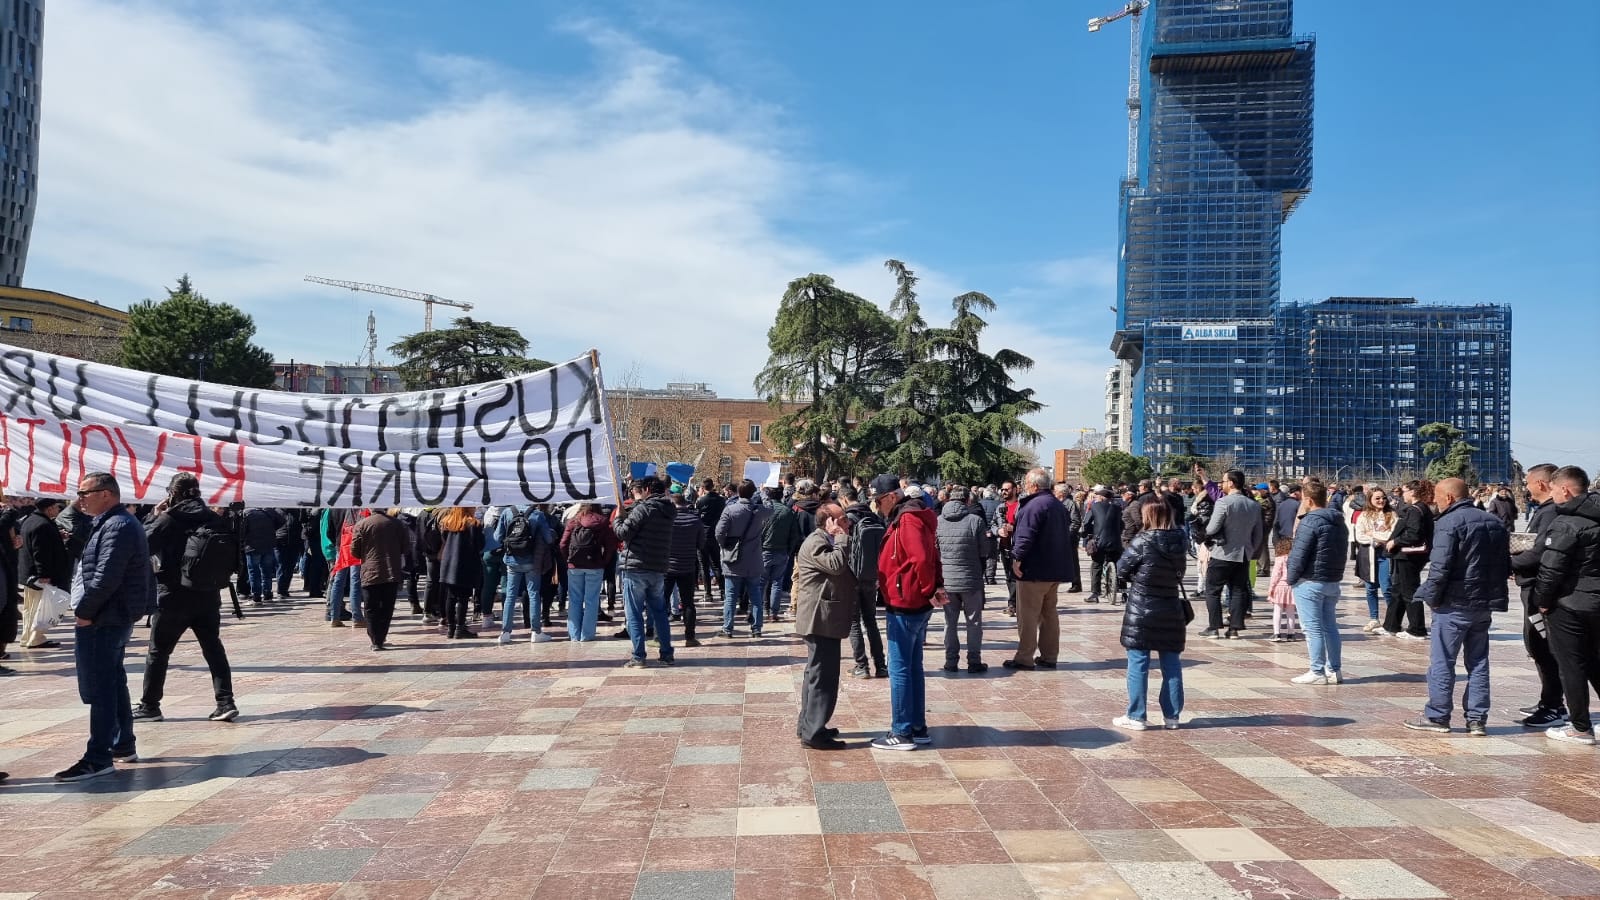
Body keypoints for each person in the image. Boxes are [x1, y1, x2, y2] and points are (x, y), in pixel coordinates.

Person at [57, 473, 155, 782]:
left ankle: (98, 757)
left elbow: (106, 576)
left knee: (99, 686)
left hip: (105, 616)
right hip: (110, 615)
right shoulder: (110, 522)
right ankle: (122, 744)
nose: (80, 498)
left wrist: (85, 613)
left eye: (85, 492)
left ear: (107, 494)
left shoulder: (118, 526)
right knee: (112, 680)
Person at [1403, 477, 1510, 736]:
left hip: (1454, 603)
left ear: (1449, 498)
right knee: (1479, 662)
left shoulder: (1449, 523)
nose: (1435, 503)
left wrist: (1432, 597)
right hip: (1483, 603)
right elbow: (1504, 565)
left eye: (1438, 498)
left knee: (1442, 661)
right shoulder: (1494, 523)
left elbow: (1440, 567)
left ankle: (1438, 716)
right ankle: (1477, 719)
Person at [134, 473, 239, 722]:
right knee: (213, 647)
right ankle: (225, 702)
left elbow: (141, 544)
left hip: (173, 594)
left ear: (172, 494)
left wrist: (153, 516)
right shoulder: (213, 517)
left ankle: (150, 705)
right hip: (207, 593)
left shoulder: (169, 518)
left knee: (158, 652)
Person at [869, 474, 946, 751]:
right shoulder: (911, 516)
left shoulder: (908, 519)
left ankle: (901, 732)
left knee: (899, 668)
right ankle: (917, 726)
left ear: (892, 496)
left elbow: (923, 558)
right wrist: (934, 586)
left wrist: (928, 588)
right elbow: (931, 556)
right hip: (911, 599)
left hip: (906, 602)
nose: (878, 507)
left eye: (879, 501)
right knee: (912, 666)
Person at [1530, 466, 1600, 745]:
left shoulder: (1567, 522)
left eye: (1555, 489)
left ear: (1566, 490)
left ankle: (1580, 727)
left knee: (1571, 665)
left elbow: (1551, 570)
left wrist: (1542, 602)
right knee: (1594, 661)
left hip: (1569, 603)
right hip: (1595, 600)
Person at [1113, 500, 1188, 730]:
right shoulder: (1180, 540)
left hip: (1142, 608)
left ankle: (1136, 716)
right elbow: (1180, 573)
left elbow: (1121, 569)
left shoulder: (1142, 540)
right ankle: (1172, 716)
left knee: (1138, 662)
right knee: (1172, 663)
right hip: (1170, 606)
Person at [794, 503, 856, 750]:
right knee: (822, 677)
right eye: (842, 519)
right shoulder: (817, 541)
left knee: (816, 674)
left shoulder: (822, 539)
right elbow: (835, 565)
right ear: (829, 522)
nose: (847, 523)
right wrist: (841, 540)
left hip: (823, 618)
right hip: (819, 620)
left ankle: (809, 725)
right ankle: (813, 732)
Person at [1510, 463, 1566, 726]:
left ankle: (1554, 704)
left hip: (1540, 588)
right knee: (1536, 646)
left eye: (1529, 483)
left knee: (1544, 647)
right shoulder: (1544, 511)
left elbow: (1540, 551)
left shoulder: (1551, 512)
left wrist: (1508, 563)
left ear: (1541, 484)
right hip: (1530, 584)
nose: (1526, 487)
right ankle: (1550, 698)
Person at [1006, 468, 1074, 672]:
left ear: (1034, 485)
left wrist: (1017, 558)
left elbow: (1025, 536)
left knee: (1027, 615)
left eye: (1026, 482)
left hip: (1035, 569)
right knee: (1049, 614)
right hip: (1054, 569)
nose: (1024, 486)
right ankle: (1049, 655)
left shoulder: (1034, 505)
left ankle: (1025, 657)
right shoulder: (1057, 504)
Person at [1286, 481, 1348, 685]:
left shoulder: (1310, 521)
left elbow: (1298, 554)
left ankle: (1317, 670)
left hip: (1310, 581)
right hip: (1332, 580)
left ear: (1308, 500)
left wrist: (1291, 578)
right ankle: (1334, 669)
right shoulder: (1339, 521)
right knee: (1330, 626)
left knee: (1312, 628)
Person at [613, 476, 677, 667]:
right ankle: (666, 653)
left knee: (634, 613)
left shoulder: (644, 508)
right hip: (658, 567)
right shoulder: (669, 509)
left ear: (647, 489)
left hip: (637, 567)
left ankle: (638, 655)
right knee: (659, 612)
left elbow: (623, 532)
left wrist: (617, 518)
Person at [1200, 471, 1264, 639]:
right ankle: (1234, 628)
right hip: (1243, 554)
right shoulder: (1254, 505)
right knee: (1238, 590)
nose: (1222, 484)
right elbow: (1258, 534)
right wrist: (1250, 549)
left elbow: (1212, 528)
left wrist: (1203, 532)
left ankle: (1214, 627)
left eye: (1224, 481)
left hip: (1223, 552)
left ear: (1232, 483)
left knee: (1213, 589)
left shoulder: (1224, 503)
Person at [935, 484, 988, 674]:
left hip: (946, 580)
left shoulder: (939, 521)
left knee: (950, 622)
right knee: (973, 622)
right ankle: (974, 661)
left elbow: (935, 550)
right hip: (971, 579)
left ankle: (951, 661)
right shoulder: (975, 521)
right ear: (967, 500)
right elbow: (985, 551)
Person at [345, 506, 410, 650]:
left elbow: (354, 551)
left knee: (370, 607)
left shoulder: (361, 524)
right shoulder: (397, 524)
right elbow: (406, 547)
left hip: (370, 572)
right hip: (390, 571)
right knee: (387, 607)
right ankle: (381, 637)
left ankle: (374, 639)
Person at [714, 479, 770, 639]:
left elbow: (718, 532)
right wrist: (764, 493)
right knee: (756, 596)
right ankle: (757, 628)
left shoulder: (730, 510)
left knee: (731, 597)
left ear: (738, 492)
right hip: (754, 559)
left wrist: (725, 545)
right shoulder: (759, 510)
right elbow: (771, 508)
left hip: (733, 560)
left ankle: (728, 628)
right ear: (753, 493)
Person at [842, 485, 888, 679]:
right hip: (871, 575)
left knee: (853, 622)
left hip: (852, 575)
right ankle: (881, 665)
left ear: (844, 499)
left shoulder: (848, 520)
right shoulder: (874, 518)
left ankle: (862, 665)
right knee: (871, 621)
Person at [495, 503, 557, 644]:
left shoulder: (507, 512)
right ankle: (536, 632)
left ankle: (505, 632)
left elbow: (497, 537)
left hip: (512, 559)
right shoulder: (538, 514)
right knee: (533, 593)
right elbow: (548, 539)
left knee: (510, 596)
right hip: (531, 560)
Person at [1382, 479, 1434, 640]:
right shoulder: (1419, 509)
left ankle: (1417, 629)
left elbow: (1414, 534)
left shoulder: (1415, 509)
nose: (1402, 495)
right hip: (1406, 555)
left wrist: (1395, 541)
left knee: (1409, 591)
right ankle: (1391, 625)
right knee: (1398, 590)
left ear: (1412, 492)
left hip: (1409, 555)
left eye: (1404, 491)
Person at [561, 503, 619, 641]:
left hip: (575, 565)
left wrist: (568, 560)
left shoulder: (573, 521)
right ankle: (587, 635)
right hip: (595, 565)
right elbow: (610, 545)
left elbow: (563, 543)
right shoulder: (603, 522)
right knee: (591, 600)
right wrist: (604, 561)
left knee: (575, 600)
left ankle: (574, 635)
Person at [18, 497, 69, 650]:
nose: (58, 510)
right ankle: (35, 638)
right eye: (56, 507)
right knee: (38, 608)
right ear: (49, 509)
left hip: (30, 575)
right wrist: (44, 574)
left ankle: (28, 637)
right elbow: (41, 552)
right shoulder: (43, 525)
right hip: (39, 576)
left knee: (31, 608)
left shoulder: (32, 520)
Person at [436, 507, 485, 639]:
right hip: (465, 564)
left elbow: (444, 540)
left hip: (448, 563)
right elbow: (480, 545)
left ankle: (451, 628)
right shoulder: (473, 524)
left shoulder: (447, 522)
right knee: (463, 597)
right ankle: (460, 628)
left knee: (451, 597)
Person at [1354, 487, 1396, 634]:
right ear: (1370, 500)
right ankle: (1374, 618)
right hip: (1369, 554)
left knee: (1387, 588)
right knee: (1370, 587)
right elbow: (1359, 535)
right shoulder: (1364, 516)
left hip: (1385, 555)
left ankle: (1393, 620)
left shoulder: (1392, 515)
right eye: (1377, 498)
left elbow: (1392, 534)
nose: (1381, 501)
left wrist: (1374, 534)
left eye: (1383, 497)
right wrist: (1375, 537)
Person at [666, 488, 705, 647]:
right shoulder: (695, 521)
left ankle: (658, 635)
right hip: (688, 566)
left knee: (661, 602)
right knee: (688, 603)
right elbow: (701, 544)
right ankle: (690, 636)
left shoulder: (667, 520)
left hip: (667, 567)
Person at [760, 486, 803, 623]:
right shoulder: (788, 512)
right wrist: (788, 551)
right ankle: (773, 612)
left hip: (765, 550)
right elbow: (794, 535)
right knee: (776, 583)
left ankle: (759, 610)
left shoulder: (765, 511)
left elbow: (758, 532)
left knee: (761, 583)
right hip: (781, 551)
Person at [1082, 487, 1124, 604]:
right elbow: (1121, 524)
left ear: (1101, 497)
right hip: (1115, 542)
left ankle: (1095, 593)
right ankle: (1123, 590)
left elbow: (1086, 523)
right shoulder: (1117, 508)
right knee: (1117, 564)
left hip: (1099, 542)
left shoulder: (1094, 506)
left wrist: (1087, 533)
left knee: (1096, 565)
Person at [240, 506, 284, 604]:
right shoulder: (269, 511)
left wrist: (244, 541)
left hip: (252, 546)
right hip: (268, 544)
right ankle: (267, 594)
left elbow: (242, 531)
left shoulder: (246, 513)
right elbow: (282, 520)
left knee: (254, 572)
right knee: (267, 571)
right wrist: (271, 529)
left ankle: (256, 597)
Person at [992, 481, 1020, 615]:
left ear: (1015, 490)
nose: (1003, 492)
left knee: (1016, 576)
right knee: (1009, 576)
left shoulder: (1021, 506)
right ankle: (1014, 603)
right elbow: (992, 524)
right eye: (1002, 489)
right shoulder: (999, 508)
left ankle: (1013, 604)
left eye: (1007, 489)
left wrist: (1013, 528)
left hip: (1018, 546)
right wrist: (997, 531)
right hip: (1004, 546)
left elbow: (1028, 527)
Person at [696, 478, 726, 603]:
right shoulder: (721, 500)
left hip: (703, 535)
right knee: (717, 565)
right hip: (716, 534)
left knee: (704, 565)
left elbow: (697, 516)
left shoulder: (701, 500)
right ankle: (723, 591)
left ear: (703, 488)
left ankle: (708, 593)